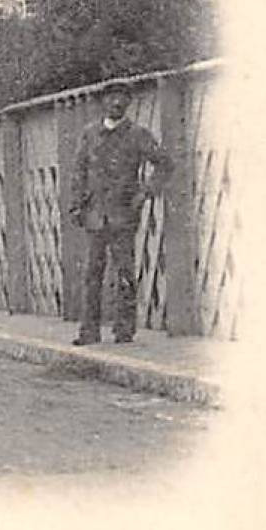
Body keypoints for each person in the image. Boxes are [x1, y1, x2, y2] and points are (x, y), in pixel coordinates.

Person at [68, 83, 168, 345]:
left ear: (128, 102)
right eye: (111, 98)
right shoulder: (90, 134)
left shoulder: (138, 135)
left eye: (121, 98)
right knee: (92, 273)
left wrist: (144, 193)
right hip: (94, 215)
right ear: (103, 102)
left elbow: (165, 164)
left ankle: (124, 330)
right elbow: (79, 171)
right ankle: (88, 331)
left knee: (124, 272)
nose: (115, 103)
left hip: (123, 215)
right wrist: (76, 205)